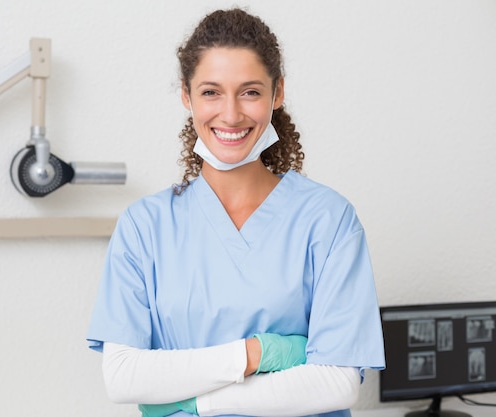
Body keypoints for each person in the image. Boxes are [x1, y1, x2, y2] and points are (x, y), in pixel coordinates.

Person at [87, 7, 385, 417]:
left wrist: (192, 402)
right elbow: (124, 376)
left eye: (250, 91)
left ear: (277, 93)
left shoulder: (328, 220)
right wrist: (258, 353)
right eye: (211, 92)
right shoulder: (145, 226)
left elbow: (336, 383)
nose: (230, 114)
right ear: (186, 95)